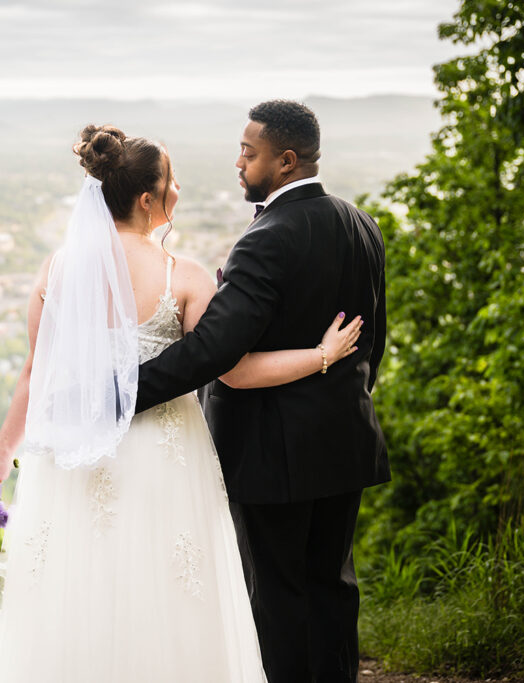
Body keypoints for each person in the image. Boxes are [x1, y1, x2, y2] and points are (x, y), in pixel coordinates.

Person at [0, 124, 363, 683]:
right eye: (173, 180)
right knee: (162, 592)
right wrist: (320, 355)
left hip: (73, 458)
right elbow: (235, 370)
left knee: (77, 588)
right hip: (162, 458)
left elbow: (34, 373)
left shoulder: (55, 270)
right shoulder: (182, 277)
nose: (178, 189)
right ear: (147, 198)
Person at [133, 100, 390, 683]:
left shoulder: (267, 238)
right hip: (345, 438)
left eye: (249, 153)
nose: (239, 163)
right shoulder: (359, 222)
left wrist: (123, 392)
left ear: (286, 160)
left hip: (272, 453)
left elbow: (215, 351)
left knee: (276, 597)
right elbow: (374, 340)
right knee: (333, 586)